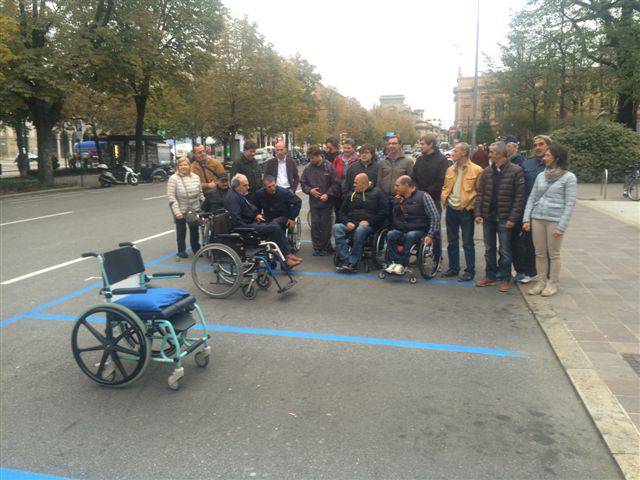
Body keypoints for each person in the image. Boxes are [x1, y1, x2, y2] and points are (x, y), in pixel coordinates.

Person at [523, 142, 577, 297]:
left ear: (556, 158)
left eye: (547, 155)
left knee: (553, 254)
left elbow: (569, 204)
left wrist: (562, 226)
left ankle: (552, 283)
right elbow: (532, 198)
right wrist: (526, 218)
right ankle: (541, 281)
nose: (544, 157)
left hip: (555, 220)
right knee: (539, 253)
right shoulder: (541, 175)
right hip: (537, 218)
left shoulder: (569, 178)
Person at [474, 141, 525, 292]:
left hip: (505, 218)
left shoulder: (516, 171)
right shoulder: (487, 172)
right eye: (489, 152)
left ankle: (505, 278)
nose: (489, 155)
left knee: (505, 250)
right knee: (489, 248)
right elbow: (480, 194)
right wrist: (478, 213)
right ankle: (490, 276)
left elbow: (519, 197)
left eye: (492, 152)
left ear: (501, 154)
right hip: (488, 217)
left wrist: (512, 218)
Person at [224, 174, 302, 268]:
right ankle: (287, 257)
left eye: (248, 185)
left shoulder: (239, 195)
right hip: (245, 227)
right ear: (236, 186)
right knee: (274, 227)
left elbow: (251, 208)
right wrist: (250, 226)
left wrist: (256, 214)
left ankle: (286, 257)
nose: (248, 187)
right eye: (245, 185)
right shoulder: (232, 197)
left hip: (276, 217)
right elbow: (236, 218)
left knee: (273, 227)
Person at [441, 142, 483, 281]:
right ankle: (453, 268)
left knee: (467, 242)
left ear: (464, 153)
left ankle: (469, 271)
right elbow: (446, 187)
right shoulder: (450, 169)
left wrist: (477, 212)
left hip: (466, 210)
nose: (452, 153)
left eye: (456, 151)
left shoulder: (477, 170)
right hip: (451, 209)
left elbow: (480, 193)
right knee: (452, 241)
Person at [513, 134, 551, 284]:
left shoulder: (555, 164)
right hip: (528, 209)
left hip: (548, 210)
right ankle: (529, 272)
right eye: (535, 145)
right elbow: (519, 187)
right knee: (527, 242)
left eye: (541, 144)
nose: (538, 147)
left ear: (548, 146)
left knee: (547, 244)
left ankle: (548, 275)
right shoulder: (527, 164)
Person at [333, 173, 388, 273]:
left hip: (369, 225)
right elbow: (341, 212)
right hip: (352, 223)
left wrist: (369, 221)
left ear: (363, 183)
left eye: (355, 183)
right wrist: (346, 222)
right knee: (337, 227)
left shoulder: (378, 193)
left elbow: (384, 212)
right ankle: (346, 258)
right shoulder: (351, 194)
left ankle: (353, 261)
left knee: (360, 230)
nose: (353, 185)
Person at [385, 175, 440, 275]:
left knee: (410, 236)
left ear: (406, 185)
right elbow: (395, 217)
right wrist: (397, 205)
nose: (395, 188)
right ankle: (394, 262)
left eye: (397, 186)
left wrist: (430, 235)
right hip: (402, 229)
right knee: (391, 234)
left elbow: (435, 216)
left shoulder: (423, 196)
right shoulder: (398, 198)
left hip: (419, 230)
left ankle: (402, 264)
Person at [412, 133, 448, 264]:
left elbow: (441, 181)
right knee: (418, 226)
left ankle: (437, 257)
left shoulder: (442, 160)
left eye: (422, 144)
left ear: (431, 144)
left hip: (433, 198)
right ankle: (418, 255)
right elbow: (413, 177)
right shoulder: (420, 159)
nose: (420, 146)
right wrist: (416, 190)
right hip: (418, 197)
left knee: (435, 229)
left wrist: (425, 193)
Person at [300, 146, 340, 256]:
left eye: (312, 158)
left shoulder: (329, 167)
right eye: (309, 158)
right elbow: (303, 183)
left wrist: (328, 194)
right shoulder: (308, 168)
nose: (310, 160)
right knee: (315, 224)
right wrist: (310, 190)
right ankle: (317, 248)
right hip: (314, 202)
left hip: (326, 202)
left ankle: (326, 247)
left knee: (325, 225)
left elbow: (336, 183)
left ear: (319, 156)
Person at [167, 156, 204, 258]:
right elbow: (171, 197)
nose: (183, 167)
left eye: (185, 164)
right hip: (180, 209)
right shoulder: (173, 178)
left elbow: (200, 194)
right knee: (181, 231)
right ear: (177, 166)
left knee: (194, 230)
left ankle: (196, 249)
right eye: (181, 165)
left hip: (194, 209)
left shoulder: (196, 177)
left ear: (189, 165)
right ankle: (181, 250)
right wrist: (177, 212)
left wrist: (204, 205)